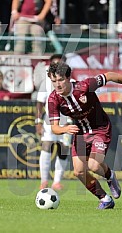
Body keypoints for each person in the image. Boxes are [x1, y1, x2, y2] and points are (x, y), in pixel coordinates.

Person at [47, 62, 122, 209]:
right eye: (53, 81)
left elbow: (109, 76)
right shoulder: (53, 99)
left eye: (60, 80)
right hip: (81, 133)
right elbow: (54, 128)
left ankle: (110, 175)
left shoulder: (84, 86)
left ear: (68, 78)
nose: (57, 85)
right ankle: (105, 199)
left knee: (94, 165)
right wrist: (65, 129)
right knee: (79, 171)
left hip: (100, 128)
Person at [35, 54, 72, 191]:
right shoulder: (46, 82)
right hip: (50, 121)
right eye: (54, 65)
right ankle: (44, 181)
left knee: (64, 148)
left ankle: (57, 181)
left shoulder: (72, 81)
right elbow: (40, 103)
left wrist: (72, 120)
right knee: (47, 146)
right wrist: (38, 122)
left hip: (67, 121)